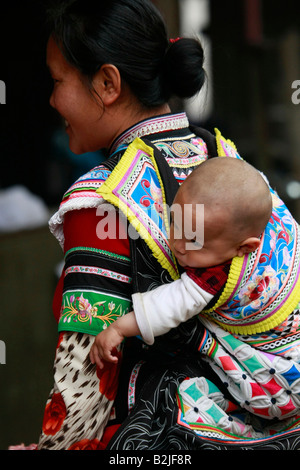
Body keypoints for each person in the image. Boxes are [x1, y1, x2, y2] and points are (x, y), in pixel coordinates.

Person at [36, 0, 300, 451]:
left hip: (169, 441)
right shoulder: (224, 156)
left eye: (57, 81)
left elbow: (81, 386)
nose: (52, 99)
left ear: (106, 83)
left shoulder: (102, 199)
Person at [90, 156, 274, 365]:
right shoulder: (258, 223)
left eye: (195, 241)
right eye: (176, 224)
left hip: (270, 351)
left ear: (245, 247)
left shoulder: (214, 276)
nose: (178, 245)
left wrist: (118, 328)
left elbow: (167, 306)